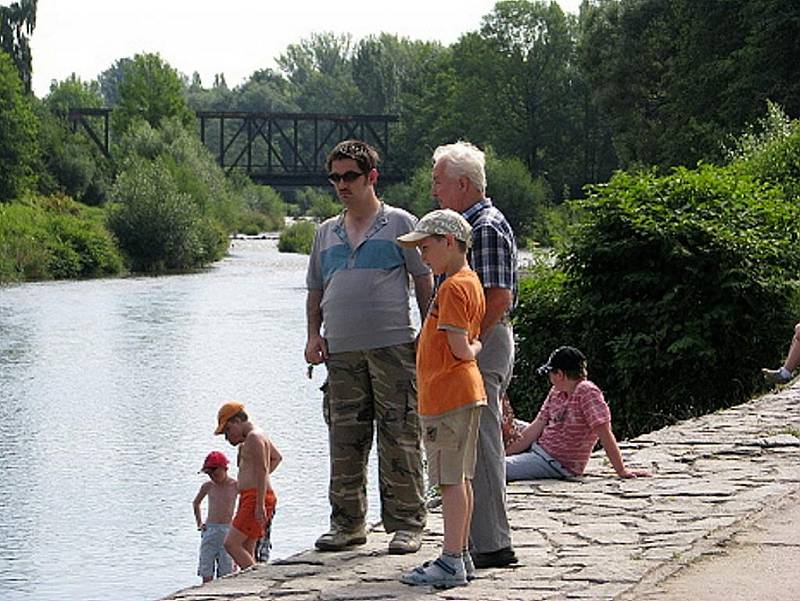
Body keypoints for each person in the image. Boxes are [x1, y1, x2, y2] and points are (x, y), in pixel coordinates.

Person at [305, 139, 433, 555]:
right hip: (341, 352)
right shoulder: (325, 233)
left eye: (350, 176)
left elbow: (423, 280)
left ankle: (408, 523)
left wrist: (429, 334)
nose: (342, 184)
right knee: (345, 438)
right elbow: (315, 289)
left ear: (371, 177)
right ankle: (347, 525)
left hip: (393, 347)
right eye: (336, 177)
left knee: (400, 435)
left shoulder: (400, 224)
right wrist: (313, 335)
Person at [431, 141, 518, 569]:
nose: (434, 191)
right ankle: (474, 541)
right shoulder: (471, 225)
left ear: (462, 184)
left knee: (480, 443)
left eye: (439, 182)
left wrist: (465, 345)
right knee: (472, 442)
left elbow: (498, 297)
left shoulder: (483, 227)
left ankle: (491, 544)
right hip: (476, 345)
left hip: (481, 345)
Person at [396, 209, 486, 588]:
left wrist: (474, 347)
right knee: (460, 477)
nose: (421, 255)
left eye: (426, 245)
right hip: (464, 395)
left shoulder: (451, 287)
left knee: (448, 481)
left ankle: (450, 561)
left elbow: (460, 347)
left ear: (449, 242)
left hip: (449, 396)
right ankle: (460, 554)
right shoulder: (469, 281)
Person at [505, 346, 651, 481]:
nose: (550, 379)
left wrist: (621, 470)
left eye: (551, 373)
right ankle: (493, 454)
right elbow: (537, 426)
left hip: (553, 462)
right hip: (541, 445)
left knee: (497, 469)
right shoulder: (556, 392)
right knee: (501, 422)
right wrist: (507, 452)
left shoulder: (587, 392)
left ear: (560, 374)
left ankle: (491, 460)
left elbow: (604, 433)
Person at [215, 401, 282, 570]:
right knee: (246, 547)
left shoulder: (254, 437)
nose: (227, 437)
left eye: (227, 430)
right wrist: (256, 480)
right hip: (253, 496)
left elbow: (263, 468)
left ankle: (258, 581)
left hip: (255, 499)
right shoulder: (258, 435)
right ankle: (252, 581)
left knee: (231, 544)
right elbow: (276, 458)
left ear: (237, 421)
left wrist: (259, 503)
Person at [192, 451, 238, 583]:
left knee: (227, 571)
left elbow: (247, 501)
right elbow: (196, 503)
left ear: (225, 468)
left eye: (214, 472)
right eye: (209, 474)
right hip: (210, 529)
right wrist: (199, 523)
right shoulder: (208, 486)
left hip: (228, 529)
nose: (212, 476)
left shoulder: (235, 485)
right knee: (206, 569)